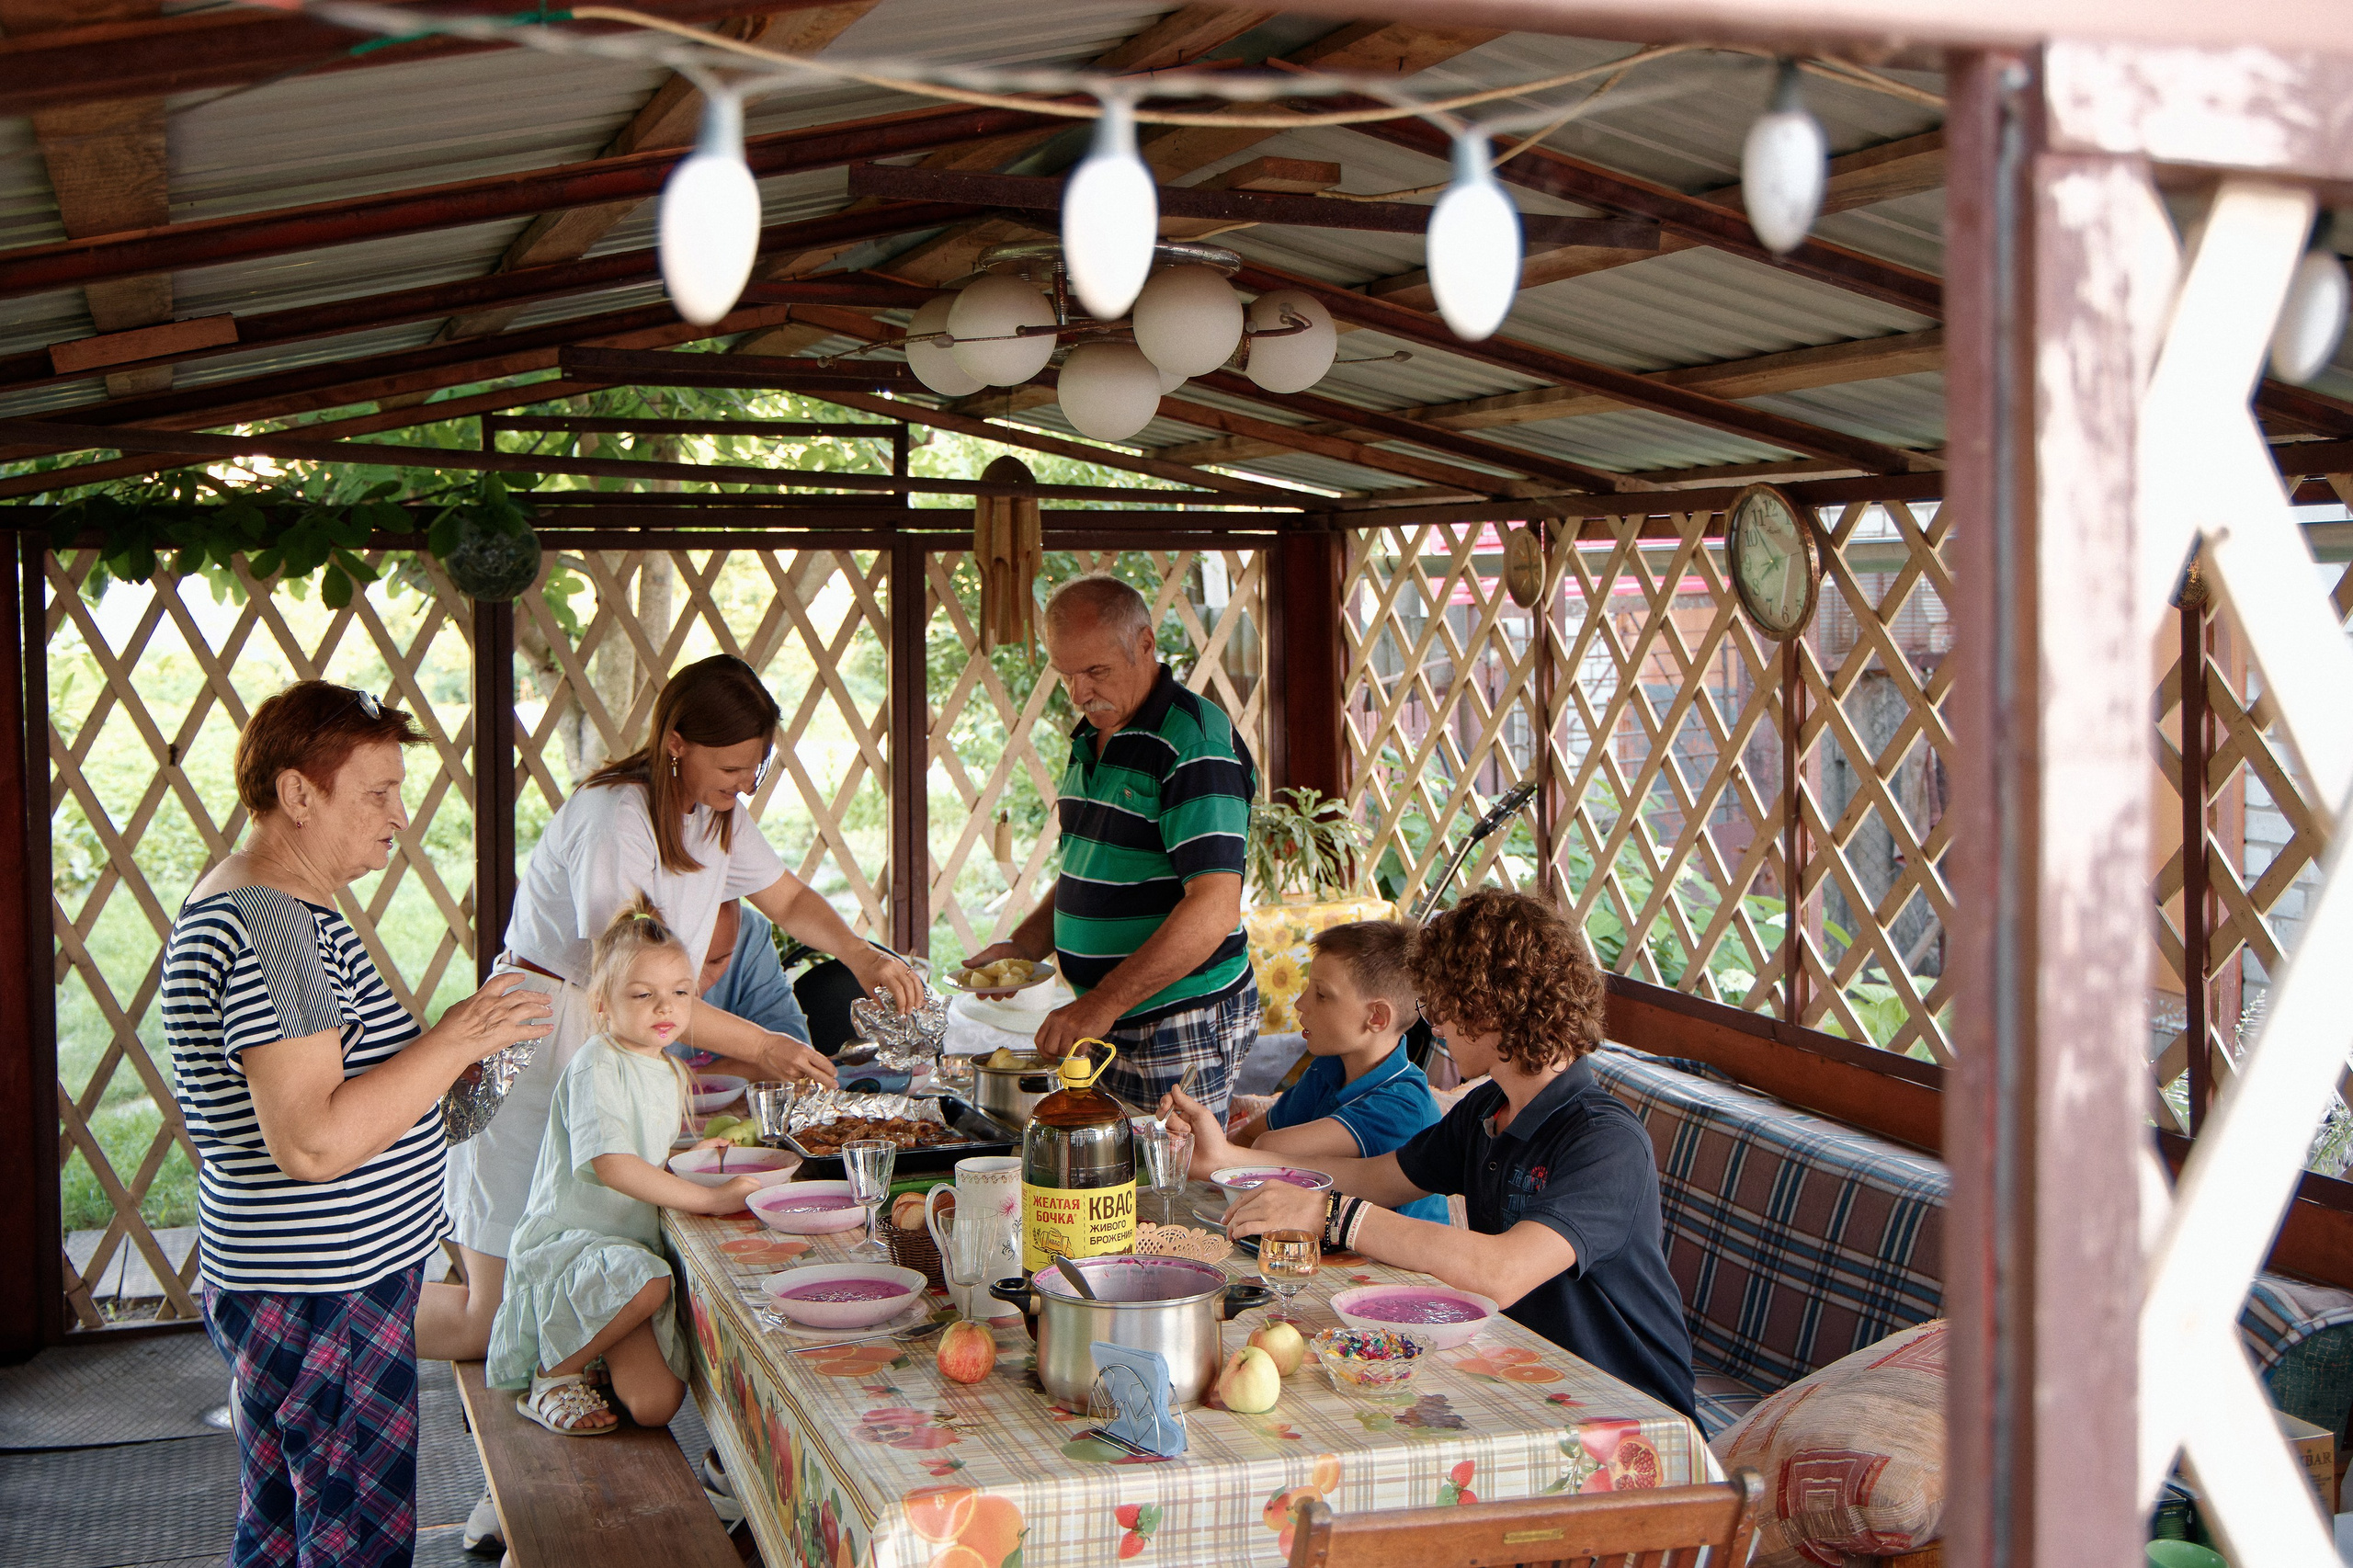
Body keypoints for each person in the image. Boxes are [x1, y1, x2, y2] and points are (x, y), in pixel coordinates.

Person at [162, 681, 554, 1568]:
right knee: (352, 1542)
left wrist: (478, 1057)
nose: (399, 816)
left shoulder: (283, 909)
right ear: (298, 794)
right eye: (376, 792)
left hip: (314, 1283)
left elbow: (383, 1104)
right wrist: (455, 1037)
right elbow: (314, 1142)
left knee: (289, 1528)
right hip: (319, 1292)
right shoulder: (272, 927)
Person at [426, 653, 916, 1362]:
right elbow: (629, 981)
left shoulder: (716, 817)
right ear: (676, 743)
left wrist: (863, 955)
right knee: (491, 1316)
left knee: (581, 1274)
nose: (745, 785)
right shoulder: (613, 818)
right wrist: (764, 1046)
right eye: (732, 768)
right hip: (529, 1038)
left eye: (757, 768)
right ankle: (356, 1318)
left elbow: (789, 900)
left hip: (606, 1036)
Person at [1166, 889, 1696, 1419]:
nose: (1434, 1023)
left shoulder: (1605, 1142)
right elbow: (1376, 1177)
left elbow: (1503, 1272)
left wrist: (1331, 1215)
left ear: (1494, 1003)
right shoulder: (1489, 1108)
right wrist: (1226, 1159)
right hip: (1525, 1379)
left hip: (1629, 1409)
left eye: (1441, 1001)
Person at [965, 575, 1257, 1119]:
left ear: (1145, 644)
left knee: (1167, 1186)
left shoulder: (1193, 743)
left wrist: (1101, 1002)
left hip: (1177, 1013)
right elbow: (1091, 870)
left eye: (1095, 671)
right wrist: (1024, 949)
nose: (1078, 693)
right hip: (1113, 1018)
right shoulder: (1093, 735)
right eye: (1065, 675)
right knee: (1109, 1184)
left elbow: (1214, 907)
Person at [487, 896, 760, 1434]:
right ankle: (550, 1375)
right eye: (644, 995)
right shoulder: (597, 1063)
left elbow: (642, 1155)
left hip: (626, 1259)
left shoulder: (663, 1068)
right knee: (653, 1284)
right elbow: (613, 1164)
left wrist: (691, 1159)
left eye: (680, 993)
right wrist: (709, 1199)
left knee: (656, 1406)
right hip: (579, 1248)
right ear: (603, 1006)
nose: (666, 1008)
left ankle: (590, 1352)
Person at [1225, 921, 1449, 1224]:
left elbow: (1267, 1147)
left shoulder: (1404, 1105)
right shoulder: (1328, 1067)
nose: (1300, 1004)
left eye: (1322, 995)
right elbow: (1253, 1135)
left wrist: (1214, 1150)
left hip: (1399, 1268)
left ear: (1377, 1017)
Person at [670, 897, 813, 1078]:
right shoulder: (630, 939)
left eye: (716, 962)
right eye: (685, 963)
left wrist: (695, 1079)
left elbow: (792, 1054)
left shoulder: (748, 933)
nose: (695, 985)